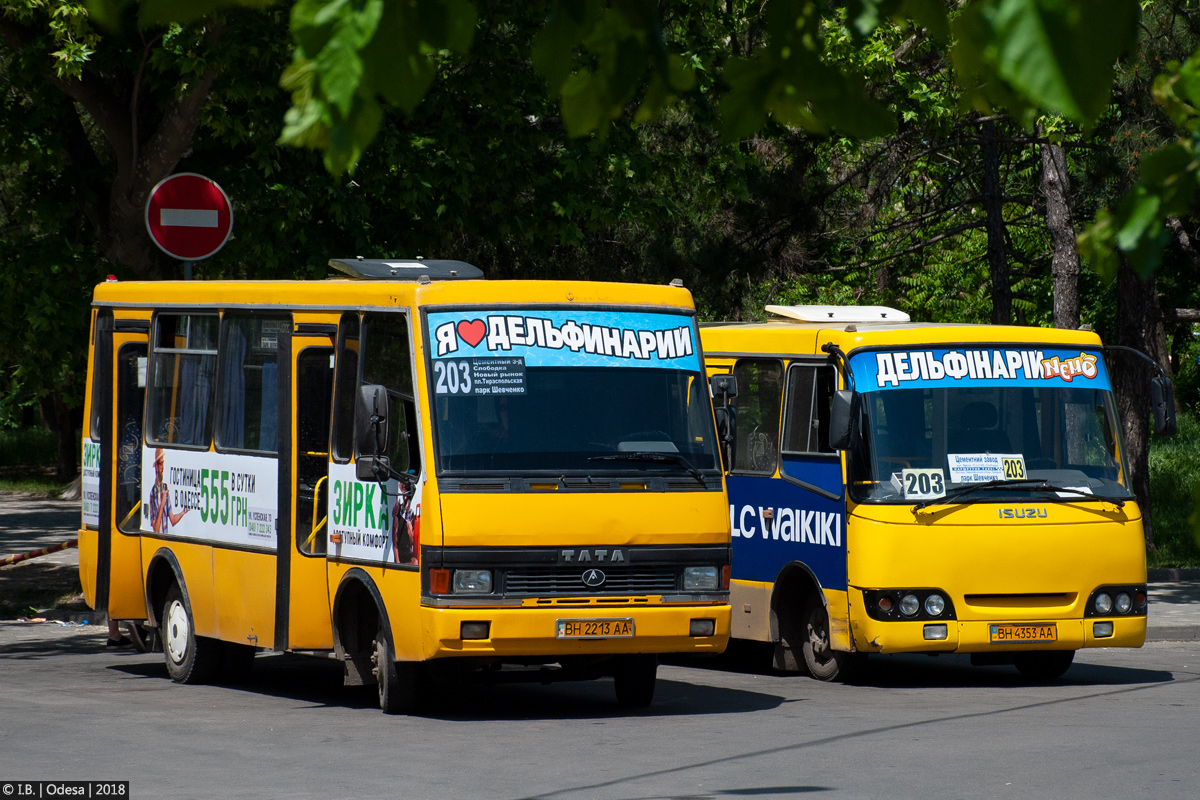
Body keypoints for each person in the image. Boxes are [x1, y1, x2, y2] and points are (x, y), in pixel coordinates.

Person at [148, 448, 188, 533]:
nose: (163, 468)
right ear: (156, 467)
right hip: (157, 540)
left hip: (165, 538)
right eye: (160, 464)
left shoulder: (165, 488)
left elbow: (172, 520)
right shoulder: (153, 493)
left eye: (163, 464)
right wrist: (162, 504)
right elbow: (156, 529)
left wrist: (183, 512)